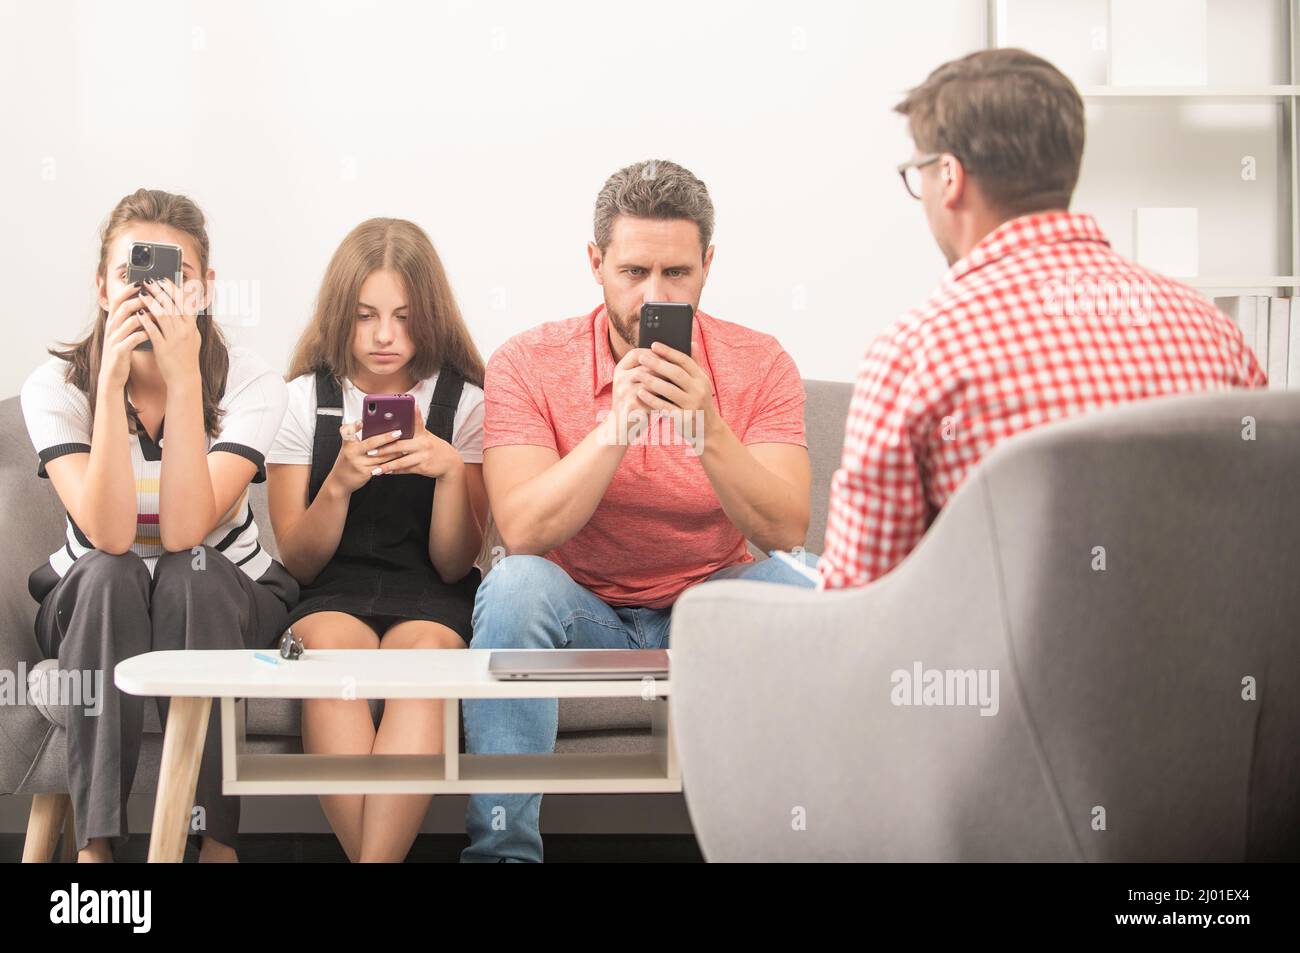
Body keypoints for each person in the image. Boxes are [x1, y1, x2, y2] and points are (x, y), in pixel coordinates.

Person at [464, 159, 816, 862]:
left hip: (707, 607)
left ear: (708, 265)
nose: (653, 294)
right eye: (633, 272)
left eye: (677, 273)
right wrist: (616, 428)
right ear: (596, 263)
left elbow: (786, 531)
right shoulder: (527, 361)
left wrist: (708, 425)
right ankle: (503, 855)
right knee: (510, 585)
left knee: (808, 583)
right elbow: (523, 530)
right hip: (580, 607)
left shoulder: (761, 362)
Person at [818, 48, 1267, 590]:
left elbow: (858, 603)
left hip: (1005, 675)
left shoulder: (916, 350)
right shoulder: (1214, 333)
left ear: (949, 176)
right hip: (1209, 670)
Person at [20, 188, 296, 862]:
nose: (150, 296)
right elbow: (111, 536)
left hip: (223, 588)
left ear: (205, 289)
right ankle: (97, 844)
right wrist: (111, 385)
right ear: (102, 288)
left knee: (188, 575)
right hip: (94, 594)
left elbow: (184, 531)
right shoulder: (55, 386)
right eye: (131, 275)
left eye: (173, 279)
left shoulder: (251, 380)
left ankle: (216, 843)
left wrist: (182, 385)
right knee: (113, 572)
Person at [266, 218, 487, 862]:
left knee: (428, 662)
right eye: (365, 317)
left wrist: (447, 470)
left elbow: (453, 565)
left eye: (403, 316)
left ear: (432, 317)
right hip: (332, 588)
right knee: (330, 656)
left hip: (432, 593)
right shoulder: (303, 402)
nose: (385, 336)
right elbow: (299, 559)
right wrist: (336, 484)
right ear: (341, 316)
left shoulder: (466, 404)